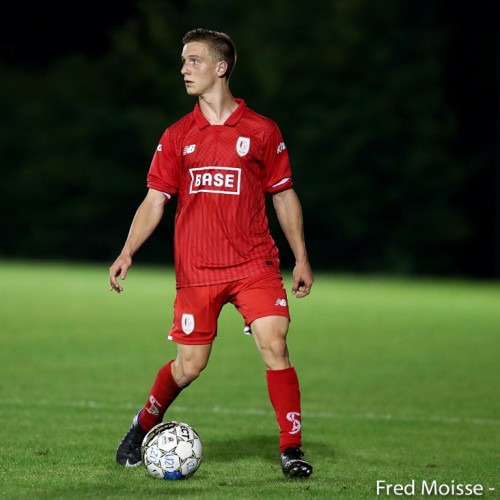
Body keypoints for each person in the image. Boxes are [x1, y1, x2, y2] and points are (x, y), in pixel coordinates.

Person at [109, 28, 314, 478]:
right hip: (197, 269)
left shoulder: (261, 131)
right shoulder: (179, 134)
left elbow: (283, 195)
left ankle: (292, 449)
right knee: (189, 366)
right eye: (183, 61)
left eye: (194, 60)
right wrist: (127, 251)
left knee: (274, 342)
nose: (184, 68)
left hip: (253, 264)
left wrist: (300, 256)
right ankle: (143, 423)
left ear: (221, 68)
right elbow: (155, 199)